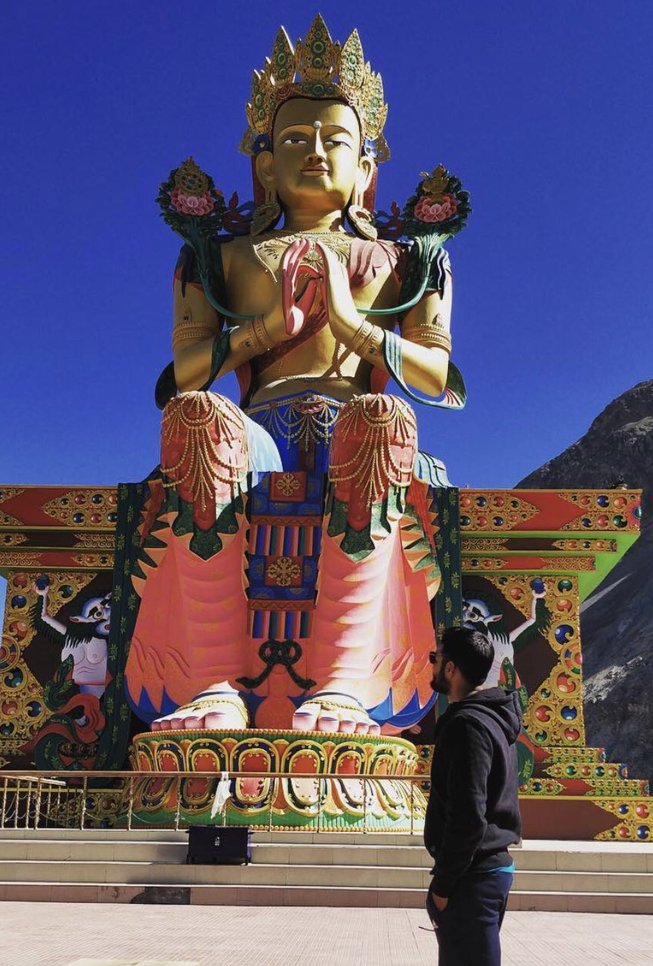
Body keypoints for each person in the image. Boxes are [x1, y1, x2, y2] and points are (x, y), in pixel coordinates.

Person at [123, 17, 467, 738]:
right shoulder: (223, 257)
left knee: (385, 420)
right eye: (294, 140)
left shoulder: (407, 260)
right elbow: (184, 376)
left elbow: (435, 377)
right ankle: (214, 683)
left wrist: (352, 325)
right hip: (257, 430)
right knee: (195, 419)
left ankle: (342, 685)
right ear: (264, 165)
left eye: (335, 141)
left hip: (360, 428)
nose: (314, 152)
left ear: (366, 169)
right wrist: (267, 333)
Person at [402, 625, 523, 966]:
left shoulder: (468, 726)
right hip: (480, 874)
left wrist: (444, 884)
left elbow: (469, 816)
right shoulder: (488, 720)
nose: (431, 665)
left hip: (472, 877)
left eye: (435, 658)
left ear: (450, 668)